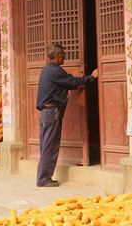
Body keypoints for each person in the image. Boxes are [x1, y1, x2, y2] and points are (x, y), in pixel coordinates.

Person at [35, 43, 98, 187]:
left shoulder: (46, 70)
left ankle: (42, 177)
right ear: (57, 56)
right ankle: (44, 179)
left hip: (46, 113)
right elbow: (73, 82)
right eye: (63, 55)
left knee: (45, 146)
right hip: (52, 113)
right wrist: (91, 77)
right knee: (50, 146)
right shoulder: (56, 71)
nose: (65, 57)